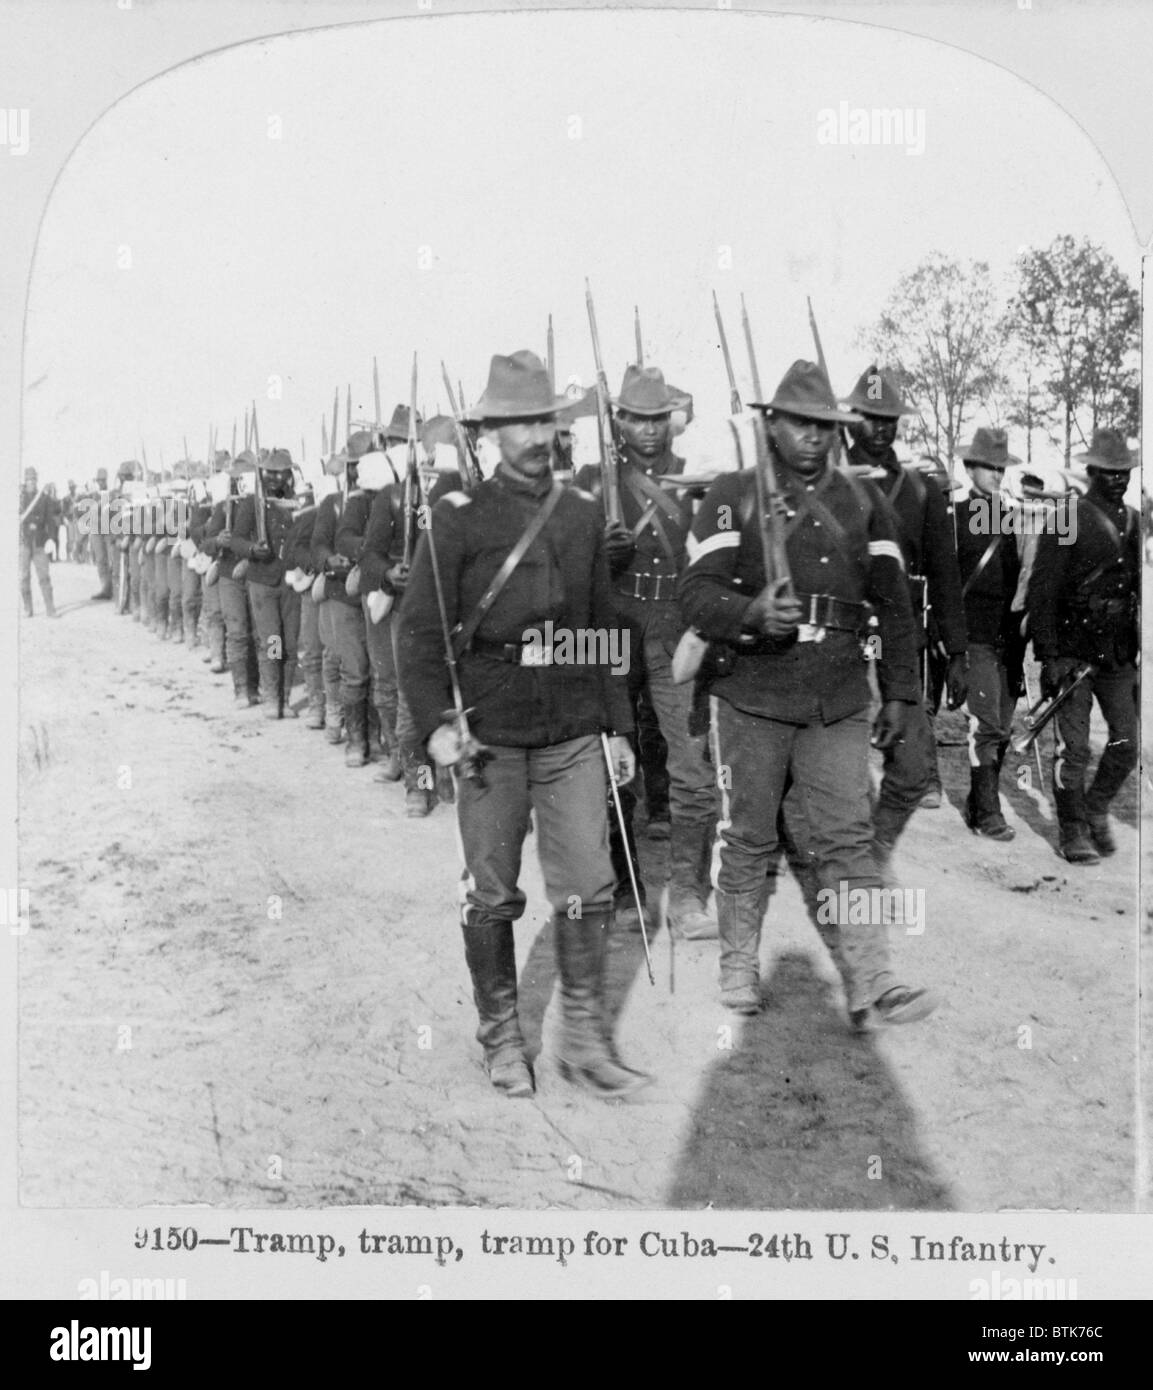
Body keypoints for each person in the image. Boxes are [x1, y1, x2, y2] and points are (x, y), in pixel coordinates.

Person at [398, 349, 649, 1099]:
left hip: (571, 722)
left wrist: (617, 727)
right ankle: (502, 1036)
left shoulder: (578, 518)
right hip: (488, 728)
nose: (536, 436)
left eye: (544, 419)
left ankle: (581, 1038)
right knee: (492, 890)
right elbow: (416, 634)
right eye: (518, 424)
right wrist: (434, 725)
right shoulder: (457, 521)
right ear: (491, 433)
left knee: (588, 883)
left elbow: (604, 629)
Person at [678, 360, 936, 1029]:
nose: (814, 438)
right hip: (752, 693)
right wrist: (750, 613)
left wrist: (902, 692)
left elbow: (896, 605)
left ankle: (872, 980)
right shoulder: (733, 493)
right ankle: (737, 962)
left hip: (838, 697)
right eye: (799, 423)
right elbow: (695, 594)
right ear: (771, 423)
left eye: (824, 426)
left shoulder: (862, 500)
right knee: (749, 836)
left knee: (849, 838)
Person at [574, 365, 718, 937]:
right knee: (609, 761)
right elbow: (566, 568)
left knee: (693, 766)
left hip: (674, 627)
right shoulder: (592, 479)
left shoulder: (696, 479)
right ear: (618, 423)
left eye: (658, 418)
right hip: (611, 628)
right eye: (636, 418)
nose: (649, 430)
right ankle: (625, 882)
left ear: (672, 422)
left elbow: (715, 556)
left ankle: (687, 894)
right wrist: (598, 552)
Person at [842, 366, 968, 864]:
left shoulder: (920, 489)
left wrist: (956, 651)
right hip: (842, 633)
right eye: (871, 418)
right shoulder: (829, 478)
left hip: (899, 635)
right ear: (852, 420)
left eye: (889, 418)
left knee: (913, 765)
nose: (881, 428)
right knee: (831, 757)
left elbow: (946, 575)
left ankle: (873, 853)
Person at [1027, 428, 1139, 864]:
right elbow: (1042, 589)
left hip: (1116, 652)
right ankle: (1072, 829)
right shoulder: (1067, 516)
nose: (1118, 479)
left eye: (1124, 471)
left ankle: (1095, 809)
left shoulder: (1131, 520)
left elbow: (1135, 589)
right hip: (1072, 650)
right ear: (1091, 471)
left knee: (1127, 743)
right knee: (1073, 749)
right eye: (1109, 472)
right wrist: (1048, 655)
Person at [953, 428, 1023, 842]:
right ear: (969, 468)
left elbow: (1016, 575)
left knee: (1004, 724)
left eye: (1001, 467)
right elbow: (948, 582)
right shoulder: (956, 518)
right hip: (973, 632)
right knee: (987, 725)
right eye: (988, 466)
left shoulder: (1010, 517)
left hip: (1005, 637)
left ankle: (979, 802)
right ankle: (988, 813)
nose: (996, 474)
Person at [311, 432, 375, 763]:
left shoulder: (385, 498)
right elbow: (319, 542)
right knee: (355, 667)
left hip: (378, 593)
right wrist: (329, 559)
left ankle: (381, 740)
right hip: (343, 593)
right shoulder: (333, 503)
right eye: (356, 466)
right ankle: (357, 740)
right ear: (348, 469)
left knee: (381, 670)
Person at [230, 449, 303, 719]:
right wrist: (252, 549)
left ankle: (285, 698)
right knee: (272, 640)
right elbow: (236, 539)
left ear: (289, 474)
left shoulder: (298, 501)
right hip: (262, 580)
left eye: (279, 472)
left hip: (292, 581)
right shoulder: (253, 503)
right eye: (269, 472)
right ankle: (273, 699)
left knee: (292, 643)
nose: (274, 478)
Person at [203, 454, 261, 708]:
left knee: (268, 635)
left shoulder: (264, 507)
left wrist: (251, 557)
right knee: (237, 632)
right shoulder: (224, 507)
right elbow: (206, 543)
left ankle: (269, 685)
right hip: (229, 576)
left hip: (261, 574)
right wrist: (218, 541)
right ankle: (241, 689)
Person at [19, 467, 59, 617]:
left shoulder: (44, 498)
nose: (31, 482)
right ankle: (28, 608)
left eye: (33, 479)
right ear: (25, 481)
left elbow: (51, 520)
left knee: (44, 577)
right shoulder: (20, 498)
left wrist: (52, 539)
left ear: (37, 480)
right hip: (24, 542)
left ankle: (50, 608)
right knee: (24, 577)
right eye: (28, 479)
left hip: (40, 543)